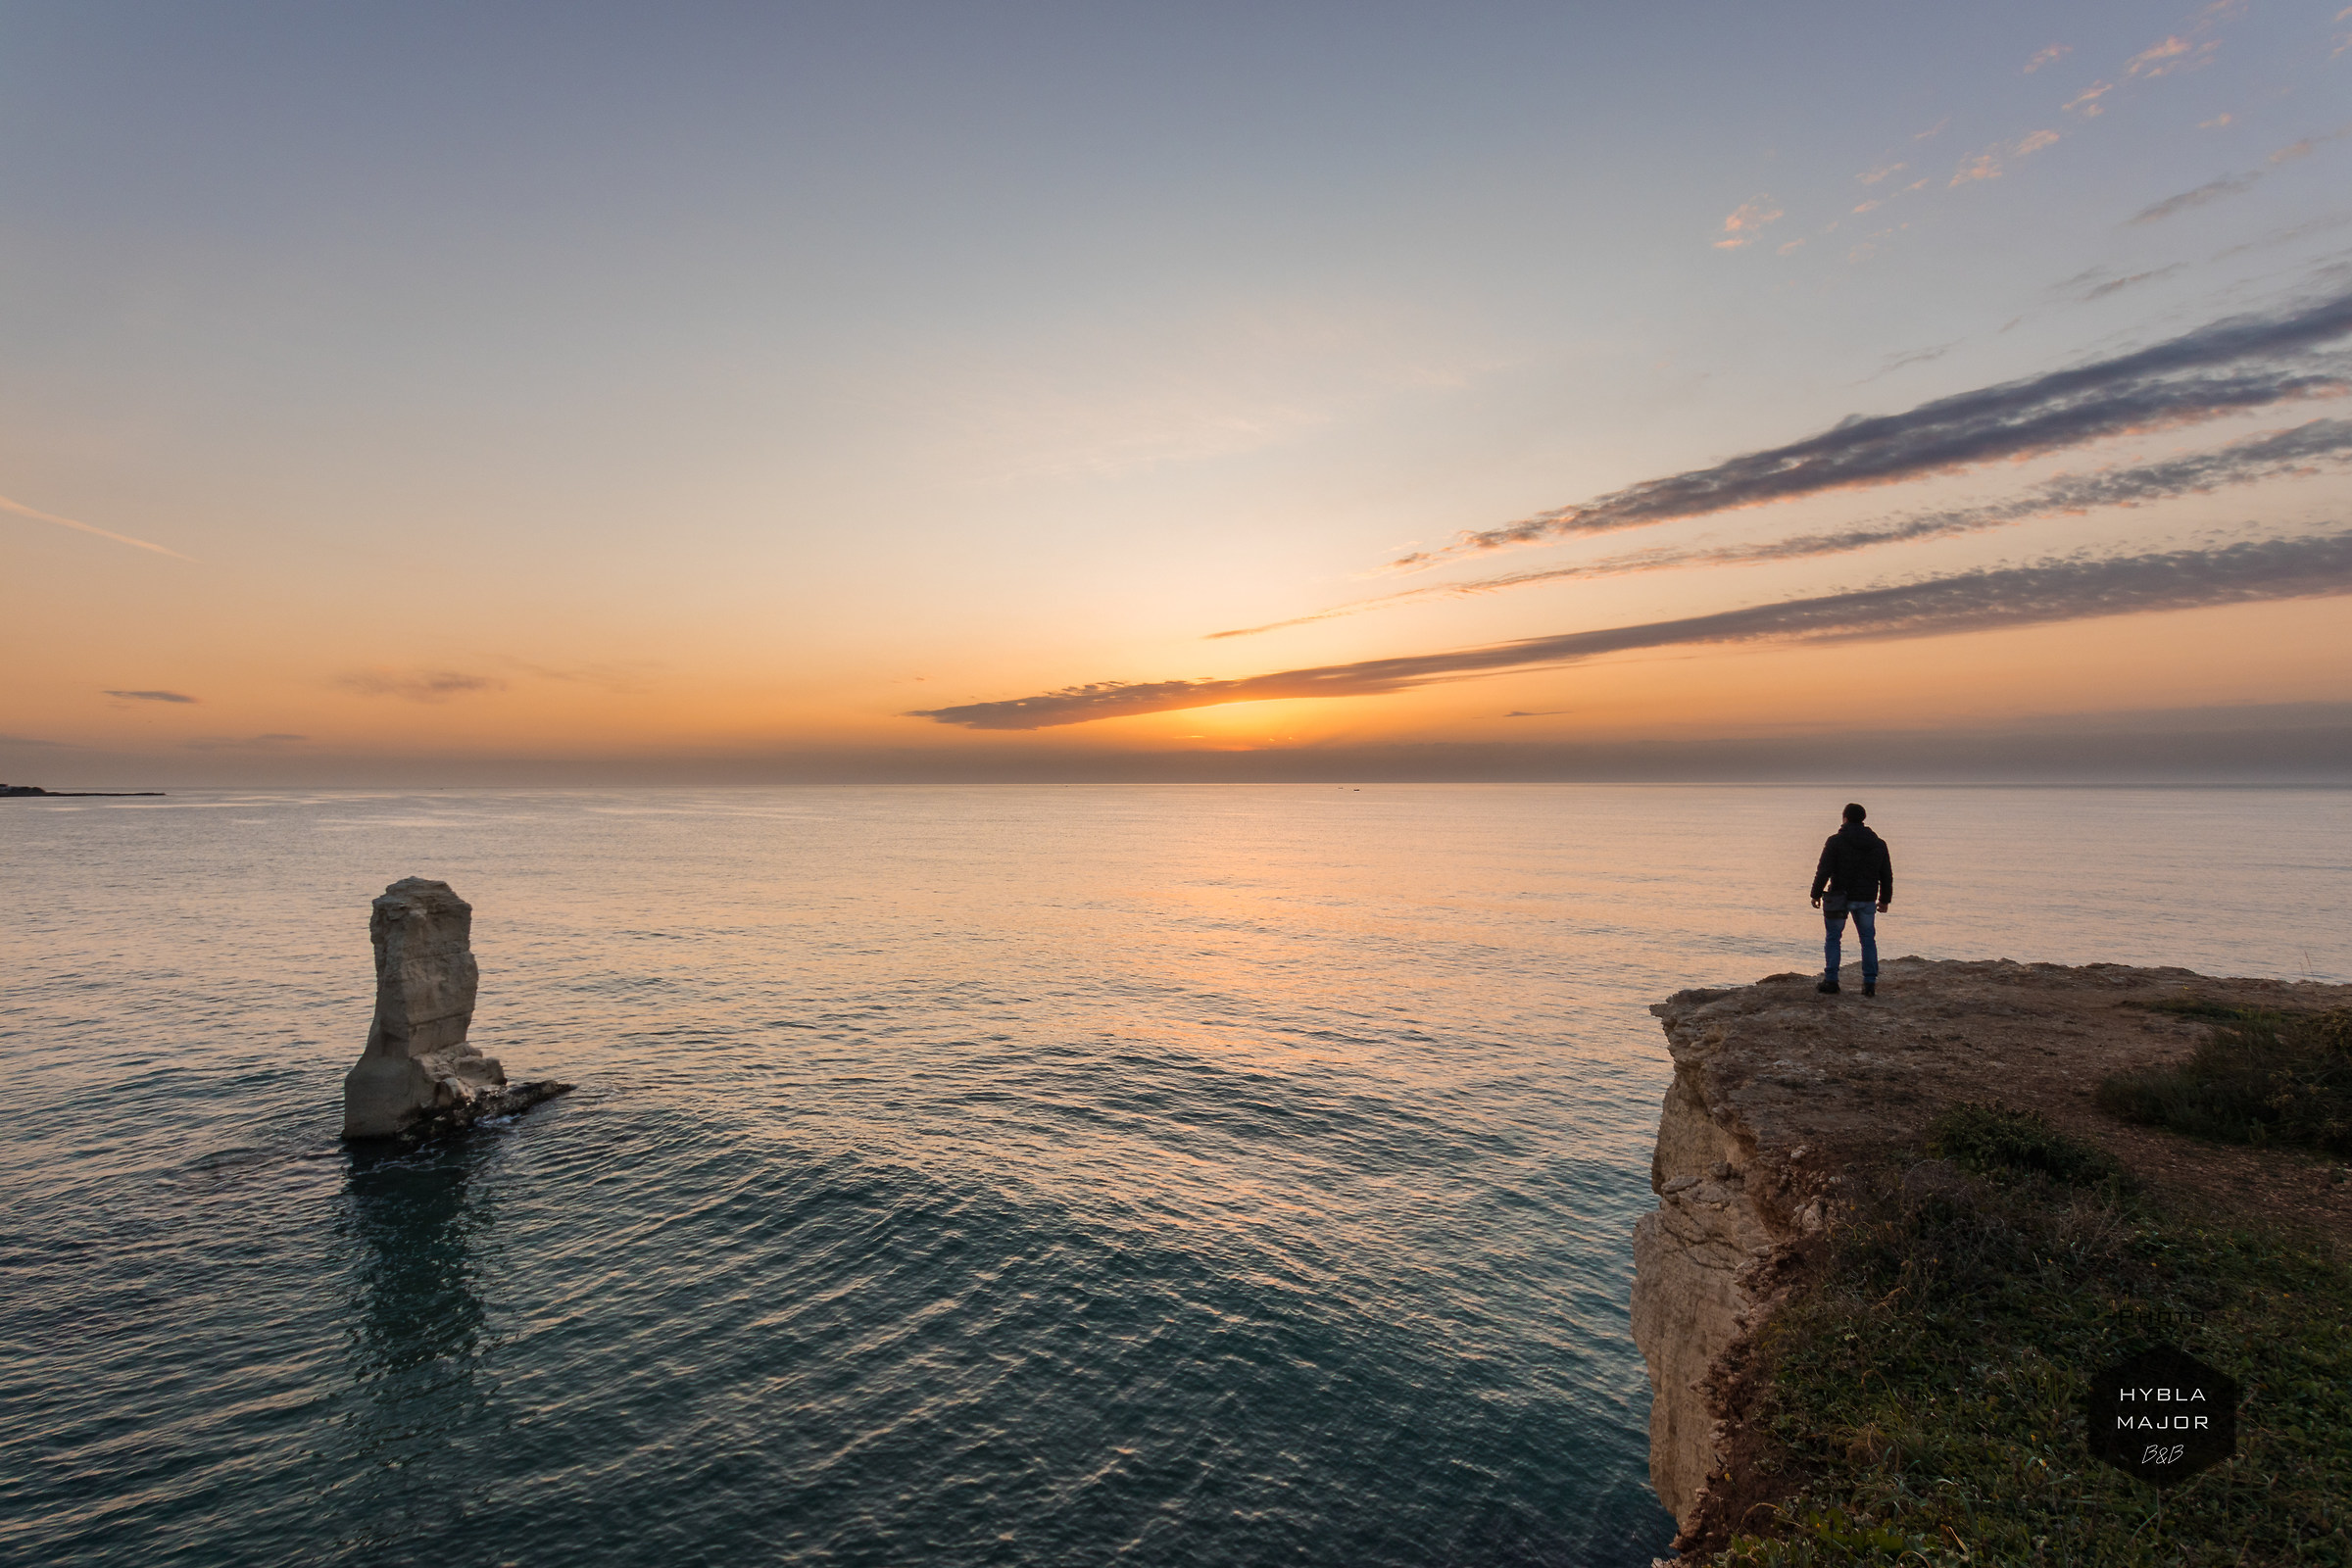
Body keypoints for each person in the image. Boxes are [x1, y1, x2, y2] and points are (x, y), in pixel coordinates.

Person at [1808, 802, 1891, 997]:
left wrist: (1815, 893)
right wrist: (1884, 900)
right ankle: (1869, 984)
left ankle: (1831, 981)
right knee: (1868, 939)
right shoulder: (1878, 844)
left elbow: (1824, 870)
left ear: (1844, 818)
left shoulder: (1835, 841)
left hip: (1839, 897)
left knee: (1833, 938)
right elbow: (1886, 875)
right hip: (1866, 898)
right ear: (1863, 819)